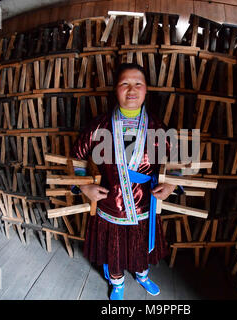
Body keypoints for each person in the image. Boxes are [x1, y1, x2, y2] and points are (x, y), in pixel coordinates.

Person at [70, 63, 177, 300]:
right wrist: (84, 186)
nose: (131, 90)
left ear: (146, 89)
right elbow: (76, 157)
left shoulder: (157, 127)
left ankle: (142, 275)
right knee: (114, 251)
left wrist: (171, 184)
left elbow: (177, 160)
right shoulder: (99, 127)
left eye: (138, 83)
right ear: (115, 90)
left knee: (141, 250)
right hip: (110, 207)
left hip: (144, 208)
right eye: (124, 84)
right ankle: (117, 283)